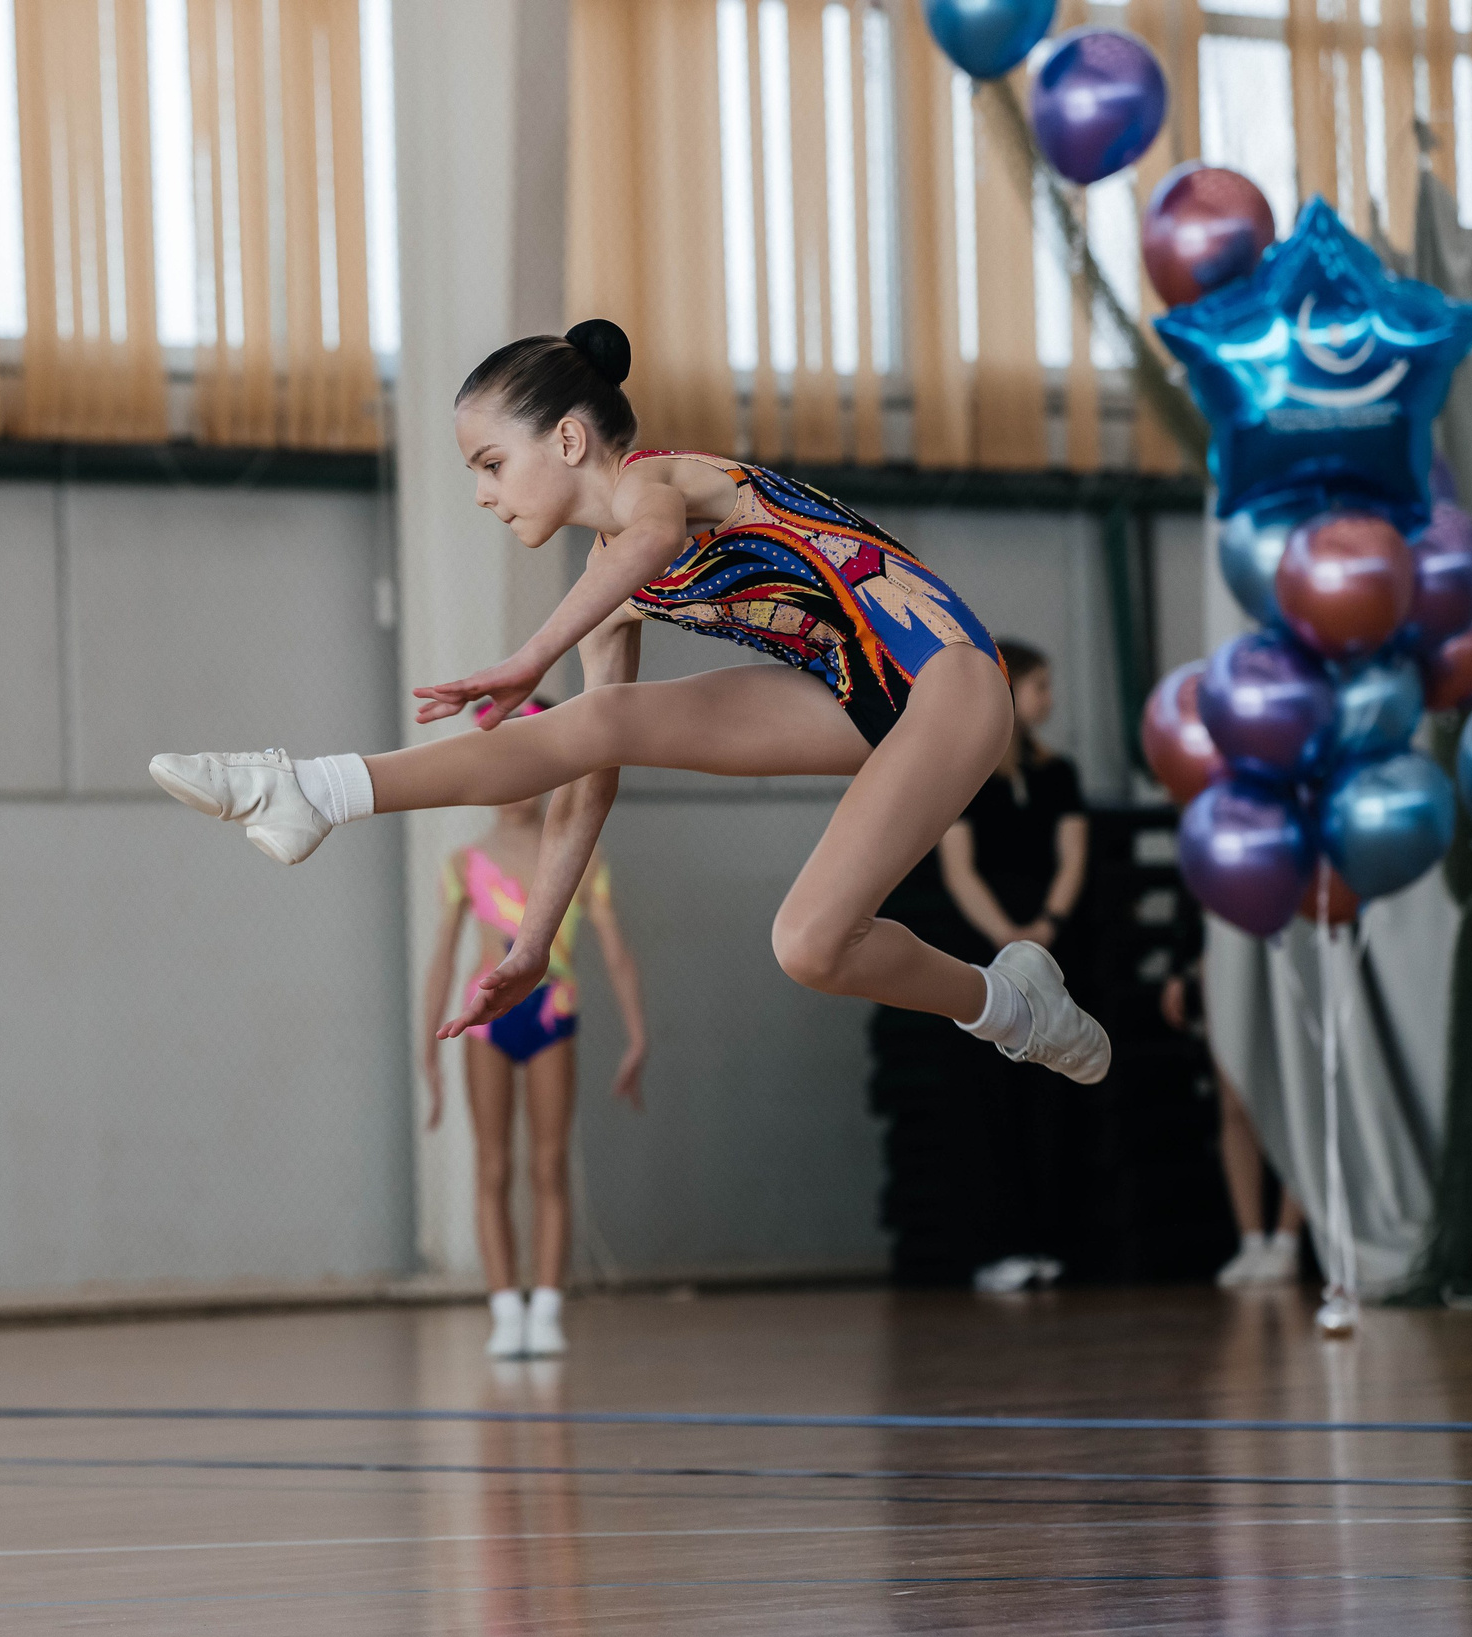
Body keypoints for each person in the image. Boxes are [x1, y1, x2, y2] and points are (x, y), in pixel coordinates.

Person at [150, 319, 1110, 1087]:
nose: (482, 494)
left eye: (490, 463)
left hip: (944, 672)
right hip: (854, 698)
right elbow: (587, 776)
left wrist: (531, 655)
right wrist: (534, 940)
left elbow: (653, 542)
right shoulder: (606, 578)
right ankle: (316, 790)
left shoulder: (659, 486)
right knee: (612, 743)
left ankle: (1014, 1012)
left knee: (802, 937)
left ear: (569, 438)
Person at [421, 729, 648, 1358]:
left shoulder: (579, 857)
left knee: (549, 1164)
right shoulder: (465, 862)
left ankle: (546, 1305)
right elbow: (441, 961)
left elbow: (616, 951)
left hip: (552, 1010)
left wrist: (636, 1033)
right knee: (492, 1164)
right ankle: (504, 1307)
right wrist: (428, 1047)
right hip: (484, 1021)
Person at [930, 639, 1091, 1293]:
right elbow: (958, 868)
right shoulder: (960, 771)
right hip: (987, 953)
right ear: (1007, 691)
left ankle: (1051, 1239)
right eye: (1039, 687)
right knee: (990, 1098)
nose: (1049, 700)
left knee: (1052, 1096)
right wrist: (1007, 941)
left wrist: (1045, 930)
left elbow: (1073, 854)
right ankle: (998, 1246)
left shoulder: (1059, 774)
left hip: (1049, 944)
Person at [1161, 967, 1304, 1287]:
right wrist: (1181, 966)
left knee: (1296, 1096)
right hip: (1223, 945)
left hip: (1285, 942)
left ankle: (1287, 1238)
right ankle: (1251, 1240)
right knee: (1233, 1099)